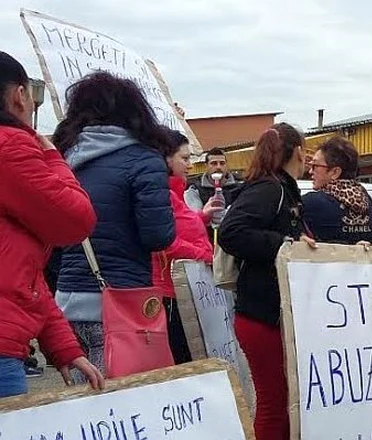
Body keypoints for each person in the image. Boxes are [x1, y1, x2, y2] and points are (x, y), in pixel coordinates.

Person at [53, 72, 176, 381]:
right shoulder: (144, 160)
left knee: (86, 412)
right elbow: (158, 235)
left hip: (66, 300)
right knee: (121, 412)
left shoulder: (63, 159)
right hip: (120, 302)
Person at [0, 51, 104, 397]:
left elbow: (17, 272)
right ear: (19, 95)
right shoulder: (10, 147)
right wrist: (52, 158)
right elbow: (75, 221)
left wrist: (62, 345)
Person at [218, 123, 315, 440]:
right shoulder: (270, 189)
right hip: (262, 316)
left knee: (285, 402)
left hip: (268, 314)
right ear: (297, 150)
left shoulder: (281, 188)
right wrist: (285, 243)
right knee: (275, 404)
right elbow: (232, 232)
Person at [153, 128, 221, 364]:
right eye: (185, 158)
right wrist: (204, 255)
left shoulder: (174, 194)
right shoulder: (160, 194)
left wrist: (201, 216)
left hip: (186, 289)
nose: (190, 165)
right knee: (185, 358)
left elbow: (180, 224)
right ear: (166, 159)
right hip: (172, 294)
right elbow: (165, 239)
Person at [303, 136, 372, 245]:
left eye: (315, 166)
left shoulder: (312, 201)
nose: (310, 171)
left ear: (335, 172)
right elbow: (370, 238)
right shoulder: (366, 199)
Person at [184, 147, 241, 239]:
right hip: (207, 239)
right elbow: (195, 217)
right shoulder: (195, 190)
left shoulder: (239, 188)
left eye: (222, 163)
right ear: (206, 166)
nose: (218, 167)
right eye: (214, 163)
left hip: (234, 238)